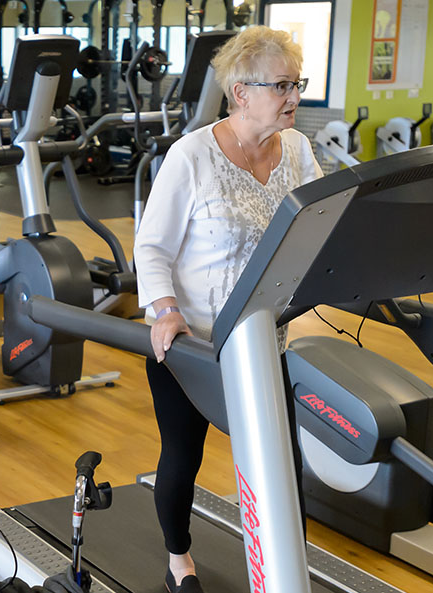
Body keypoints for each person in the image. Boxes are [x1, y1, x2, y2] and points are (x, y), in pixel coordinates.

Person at [133, 26, 323, 593]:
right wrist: (164, 310)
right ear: (241, 92)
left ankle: (283, 567)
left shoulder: (298, 149)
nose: (294, 97)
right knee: (183, 456)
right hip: (192, 344)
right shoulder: (191, 155)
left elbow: (317, 225)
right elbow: (152, 247)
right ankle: (179, 560)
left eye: (298, 83)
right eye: (283, 85)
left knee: (281, 464)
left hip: (266, 339)